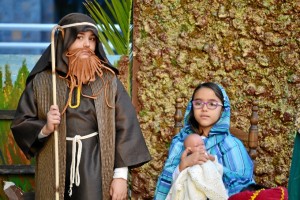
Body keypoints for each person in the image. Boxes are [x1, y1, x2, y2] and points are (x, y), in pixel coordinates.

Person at [11, 13, 151, 200]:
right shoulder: (43, 82)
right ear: (64, 40)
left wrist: (120, 176)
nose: (87, 44)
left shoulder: (108, 82)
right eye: (79, 38)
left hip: (95, 166)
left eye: (92, 39)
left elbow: (126, 129)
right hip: (56, 165)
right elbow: (22, 124)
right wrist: (45, 128)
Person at [154, 82, 255, 199]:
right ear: (192, 107)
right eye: (198, 103)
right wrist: (183, 165)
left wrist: (213, 165)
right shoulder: (181, 142)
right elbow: (167, 186)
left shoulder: (232, 145)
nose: (204, 108)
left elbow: (241, 187)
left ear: (223, 110)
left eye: (212, 104)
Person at [166, 133, 228, 200]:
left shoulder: (205, 154)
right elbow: (179, 175)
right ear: (189, 149)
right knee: (192, 190)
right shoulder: (187, 159)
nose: (201, 147)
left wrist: (210, 157)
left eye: (202, 144)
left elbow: (215, 162)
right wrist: (185, 160)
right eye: (196, 146)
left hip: (207, 178)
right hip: (193, 184)